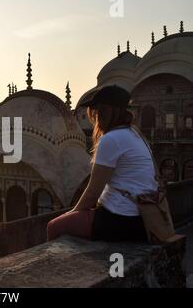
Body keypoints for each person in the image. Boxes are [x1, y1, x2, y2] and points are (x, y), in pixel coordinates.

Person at [47, 85, 157, 242]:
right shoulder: (136, 135)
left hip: (120, 220)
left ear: (103, 113)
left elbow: (92, 193)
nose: (95, 117)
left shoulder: (111, 139)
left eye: (96, 112)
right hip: (143, 219)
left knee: (54, 226)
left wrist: (70, 214)